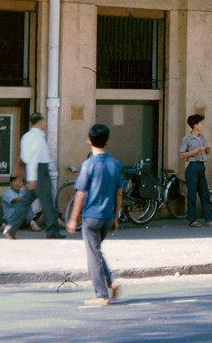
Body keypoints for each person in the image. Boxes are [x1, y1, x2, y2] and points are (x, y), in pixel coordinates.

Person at [65, 123, 123, 307]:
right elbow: (119, 192)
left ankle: (102, 295)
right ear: (108, 142)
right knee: (96, 251)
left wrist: (73, 218)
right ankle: (110, 281)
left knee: (93, 254)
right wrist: (115, 217)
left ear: (89, 141)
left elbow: (80, 193)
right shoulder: (115, 164)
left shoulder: (88, 164)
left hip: (91, 216)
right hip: (107, 216)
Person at [4, 113, 64, 239]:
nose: (45, 123)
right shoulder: (37, 137)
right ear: (40, 122)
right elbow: (33, 158)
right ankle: (52, 231)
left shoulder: (26, 136)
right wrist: (33, 177)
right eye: (44, 121)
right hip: (39, 172)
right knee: (47, 203)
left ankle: (11, 227)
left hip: (32, 171)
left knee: (25, 202)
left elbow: (25, 157)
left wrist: (30, 176)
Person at [179, 114, 212, 228]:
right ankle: (192, 219)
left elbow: (206, 153)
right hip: (192, 166)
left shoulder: (202, 138)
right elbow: (181, 155)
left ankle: (210, 218)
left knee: (204, 193)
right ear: (195, 125)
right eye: (201, 123)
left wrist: (208, 148)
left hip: (201, 166)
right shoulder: (187, 139)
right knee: (192, 194)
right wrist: (196, 150)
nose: (202, 125)